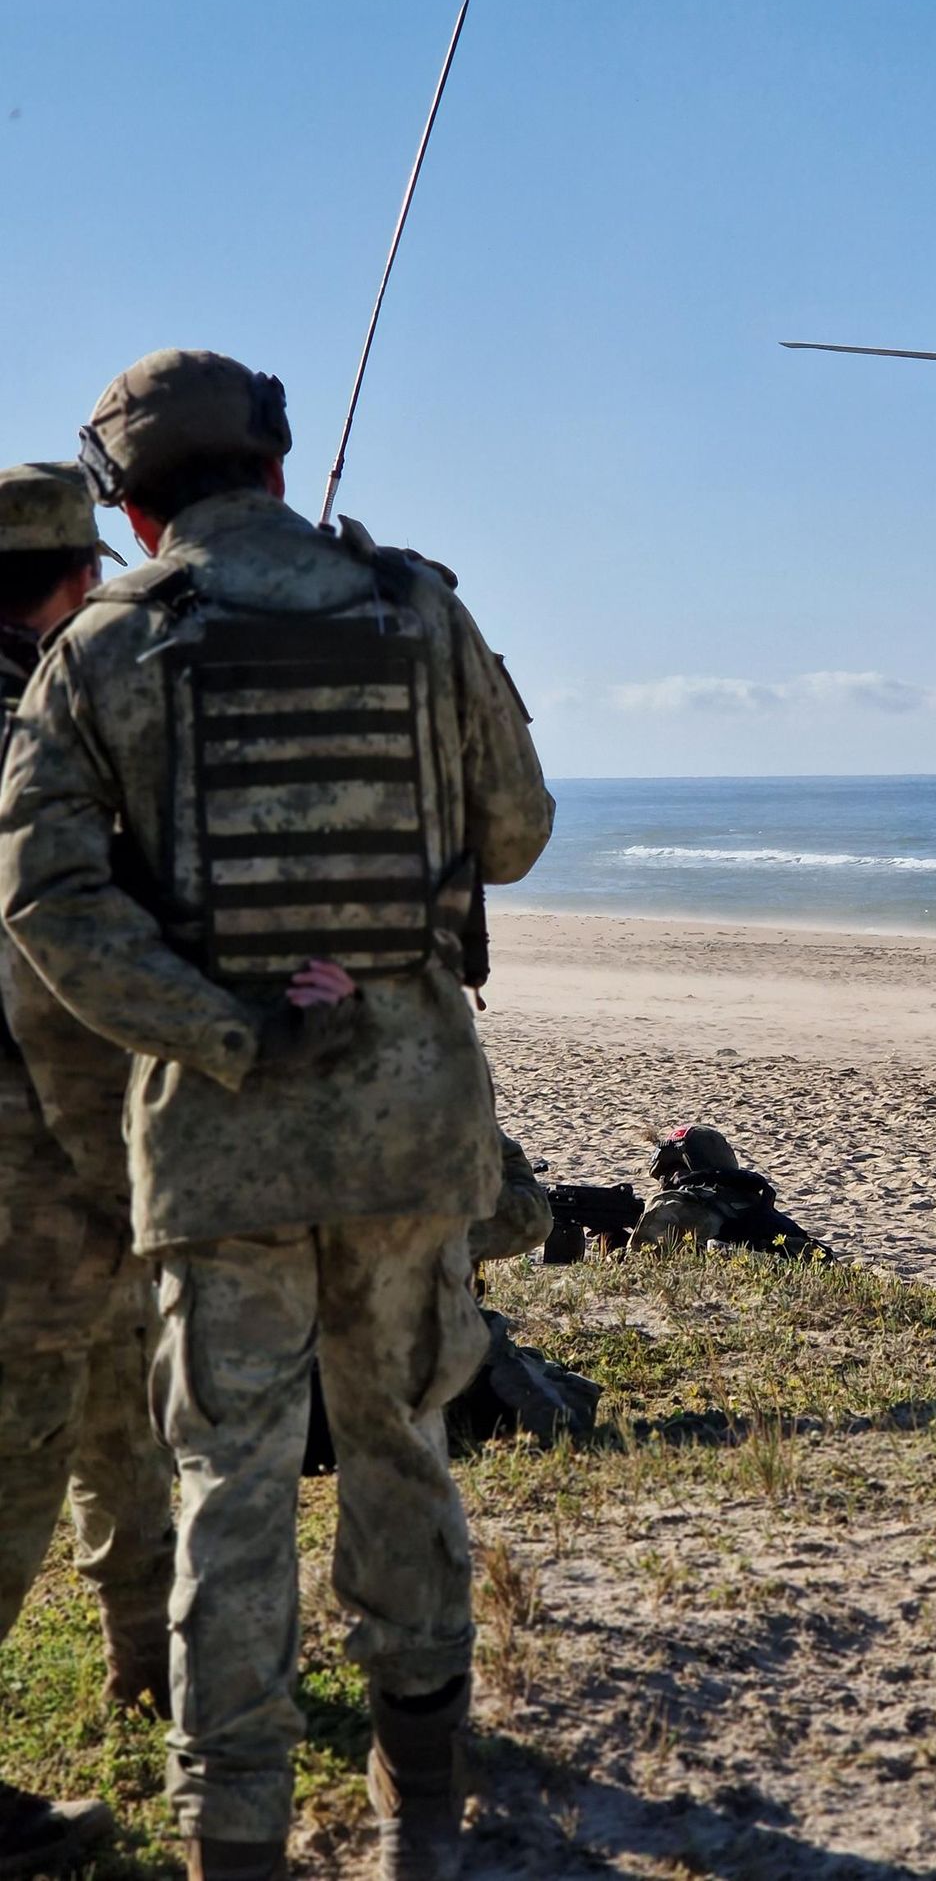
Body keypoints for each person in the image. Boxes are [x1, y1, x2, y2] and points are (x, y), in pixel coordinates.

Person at [0, 351, 554, 1881]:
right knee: (400, 1443)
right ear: (279, 463)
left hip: (216, 1144)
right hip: (411, 1124)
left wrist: (227, 1031)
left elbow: (47, 900)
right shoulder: (421, 607)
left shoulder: (100, 649)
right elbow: (515, 830)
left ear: (124, 498)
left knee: (228, 1478)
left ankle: (231, 1832)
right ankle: (421, 1805)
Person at [0, 464, 175, 1877]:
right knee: (30, 1441)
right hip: (41, 1141)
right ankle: (151, 1667)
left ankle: (151, 1669)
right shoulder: (40, 732)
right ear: (72, 581)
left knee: (115, 1402)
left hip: (52, 1140)